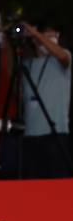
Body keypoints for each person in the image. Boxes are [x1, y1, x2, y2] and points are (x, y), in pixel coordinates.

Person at [20, 22, 72, 178]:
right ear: (36, 42)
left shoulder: (63, 59)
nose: (52, 39)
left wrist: (36, 34)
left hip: (56, 133)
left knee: (59, 187)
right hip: (30, 135)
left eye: (55, 36)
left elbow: (62, 55)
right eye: (48, 36)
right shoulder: (26, 65)